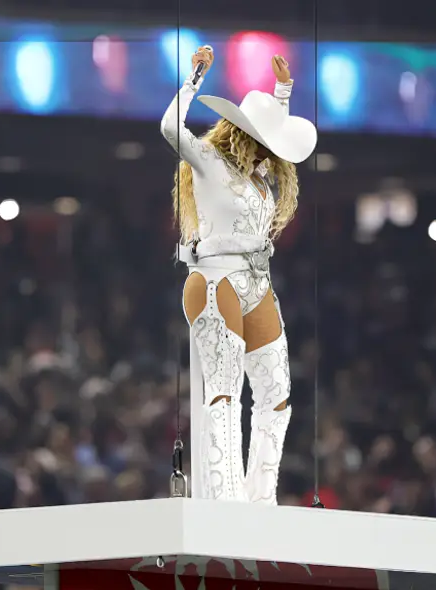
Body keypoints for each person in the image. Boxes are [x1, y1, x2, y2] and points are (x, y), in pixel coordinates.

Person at [160, 45, 317, 503]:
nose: (271, 155)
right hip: (215, 278)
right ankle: (225, 501)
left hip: (256, 281)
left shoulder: (260, 179)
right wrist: (193, 80)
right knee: (223, 393)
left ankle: (259, 499)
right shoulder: (210, 163)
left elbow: (273, 127)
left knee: (277, 395)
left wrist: (282, 93)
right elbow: (170, 128)